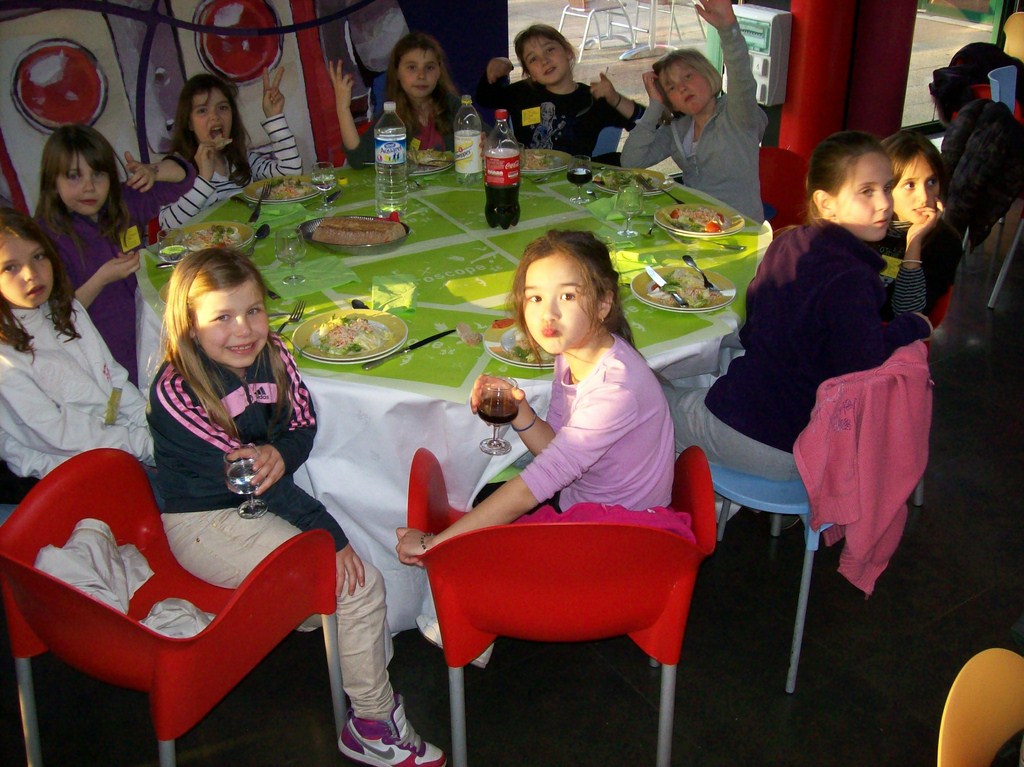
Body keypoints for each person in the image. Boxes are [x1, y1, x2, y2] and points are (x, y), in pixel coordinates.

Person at [147, 248, 445, 767]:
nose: (244, 330)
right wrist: (328, 535)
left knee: (347, 573)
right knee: (357, 585)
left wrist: (280, 454)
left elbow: (302, 425)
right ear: (189, 326)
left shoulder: (276, 352)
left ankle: (314, 624)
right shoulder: (177, 391)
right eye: (222, 317)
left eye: (253, 310)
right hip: (205, 522)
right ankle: (372, 723)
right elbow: (251, 481)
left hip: (260, 504)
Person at [396, 230, 682, 664]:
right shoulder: (575, 352)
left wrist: (438, 544)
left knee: (475, 536)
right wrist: (519, 411)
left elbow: (537, 485)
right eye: (534, 297)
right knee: (483, 509)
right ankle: (466, 621)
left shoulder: (616, 387)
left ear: (603, 303)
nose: (548, 313)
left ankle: (470, 626)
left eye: (567, 296)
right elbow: (559, 453)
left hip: (621, 539)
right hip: (587, 508)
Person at [664, 131, 933, 481]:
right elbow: (861, 361)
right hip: (801, 440)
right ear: (826, 202)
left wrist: (906, 326)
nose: (884, 203)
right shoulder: (855, 275)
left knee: (645, 394)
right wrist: (911, 324)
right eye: (867, 191)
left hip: (767, 440)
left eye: (886, 187)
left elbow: (754, 331)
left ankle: (676, 500)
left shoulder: (790, 245)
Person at [0, 209, 153, 497]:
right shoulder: (5, 360)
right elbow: (59, 434)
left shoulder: (66, 308)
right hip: (60, 472)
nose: (31, 274)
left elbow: (113, 379)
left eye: (38, 256)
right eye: (10, 268)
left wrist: (151, 425)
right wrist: (144, 445)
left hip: (116, 441)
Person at [34, 124, 195, 386]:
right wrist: (102, 278)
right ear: (53, 182)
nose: (89, 187)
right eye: (74, 176)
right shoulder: (46, 236)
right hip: (106, 351)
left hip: (152, 331)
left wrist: (152, 171)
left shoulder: (123, 201)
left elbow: (184, 177)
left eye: (98, 174)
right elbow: (59, 315)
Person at [620, 0, 766, 222]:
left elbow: (741, 74)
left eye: (688, 76)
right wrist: (655, 106)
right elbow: (631, 161)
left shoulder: (737, 113)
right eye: (671, 88)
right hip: (693, 227)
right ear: (671, 101)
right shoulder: (677, 129)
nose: (682, 87)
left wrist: (728, 29)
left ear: (707, 74)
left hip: (741, 228)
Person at [159, 69, 302, 229]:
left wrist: (274, 117)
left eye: (222, 108)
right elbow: (167, 225)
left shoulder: (242, 159)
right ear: (189, 123)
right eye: (202, 110)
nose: (215, 116)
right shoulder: (178, 169)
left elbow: (291, 174)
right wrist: (204, 178)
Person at [475, 24, 644, 160]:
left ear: (568, 52)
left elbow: (649, 124)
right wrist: (501, 64)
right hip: (528, 182)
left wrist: (616, 99)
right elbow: (484, 98)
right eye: (533, 59)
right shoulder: (522, 92)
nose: (544, 61)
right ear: (531, 74)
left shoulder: (591, 99)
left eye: (550, 50)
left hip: (575, 184)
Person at [331, 31, 461, 169]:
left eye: (429, 67)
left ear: (439, 71)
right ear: (397, 72)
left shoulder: (455, 107)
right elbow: (359, 159)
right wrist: (343, 108)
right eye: (412, 67)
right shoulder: (392, 116)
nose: (421, 75)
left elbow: (477, 145)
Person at [875, 130, 962, 321]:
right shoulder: (863, 225)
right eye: (910, 185)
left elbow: (907, 315)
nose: (924, 197)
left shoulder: (944, 243)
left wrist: (914, 243)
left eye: (931, 182)